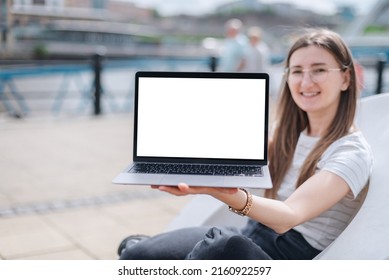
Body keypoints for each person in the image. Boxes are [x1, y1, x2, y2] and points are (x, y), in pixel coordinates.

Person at [117, 28, 373, 260]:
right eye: (297, 71)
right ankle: (139, 248)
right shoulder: (286, 134)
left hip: (287, 257)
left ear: (345, 78)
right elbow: (223, 145)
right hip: (251, 234)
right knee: (138, 253)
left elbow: (289, 216)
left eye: (319, 70)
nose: (306, 82)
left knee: (222, 247)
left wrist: (216, 188)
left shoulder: (350, 152)